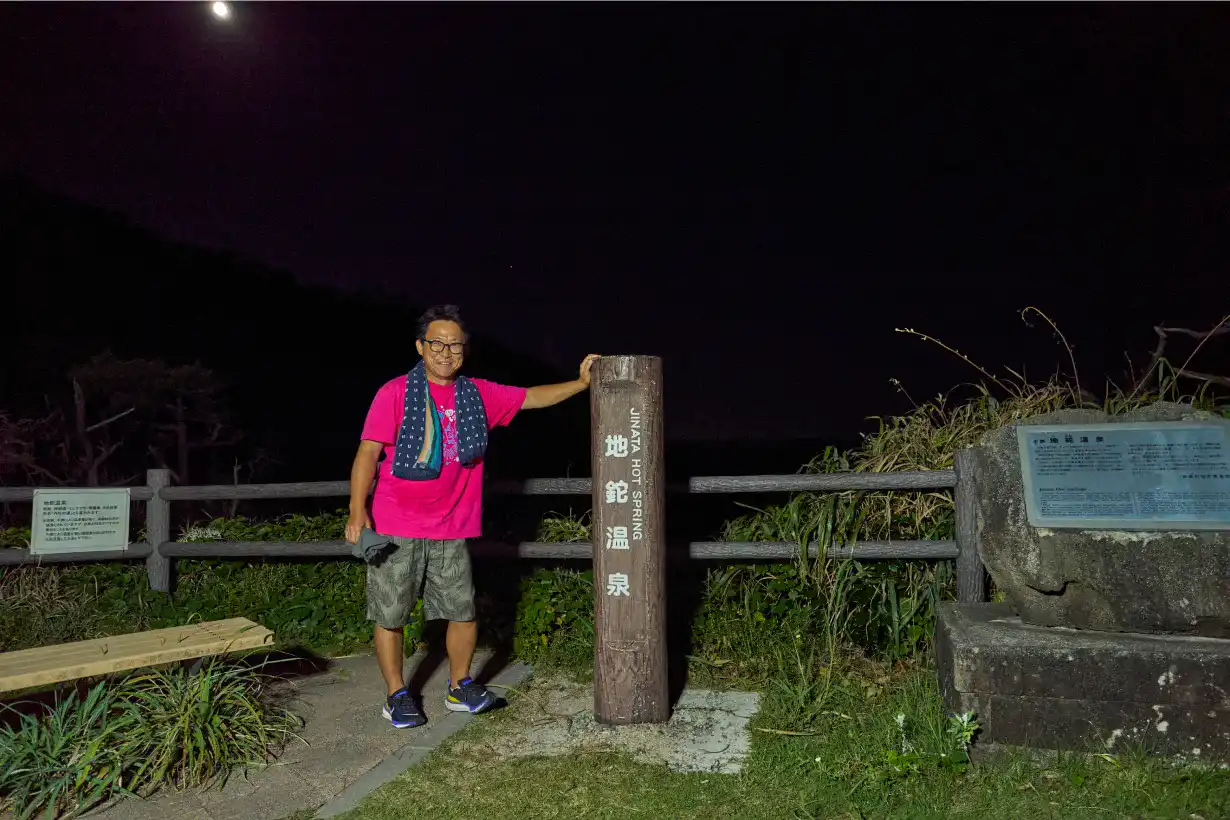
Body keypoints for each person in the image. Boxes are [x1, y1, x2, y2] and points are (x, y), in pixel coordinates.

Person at [344, 304, 599, 728]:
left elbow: (531, 397)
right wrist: (358, 512)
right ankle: (396, 694)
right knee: (390, 614)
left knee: (462, 611)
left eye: (455, 345)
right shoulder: (394, 393)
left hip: (453, 526)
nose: (446, 352)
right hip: (394, 525)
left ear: (465, 350)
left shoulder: (477, 394)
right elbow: (367, 453)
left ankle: (460, 686)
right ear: (420, 347)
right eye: (437, 343)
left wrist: (580, 383)